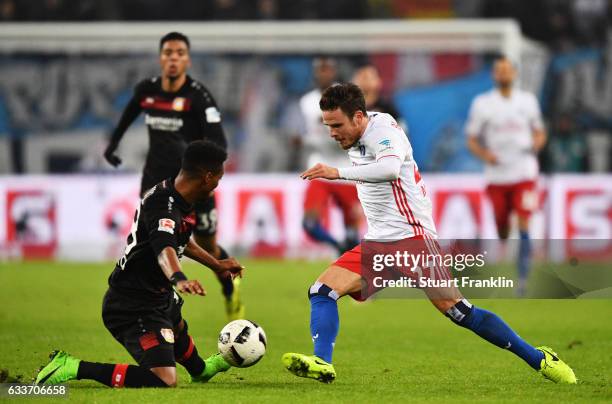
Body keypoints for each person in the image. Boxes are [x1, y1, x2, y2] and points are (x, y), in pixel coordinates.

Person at [281, 83, 575, 385]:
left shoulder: (384, 133)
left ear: (358, 117)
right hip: (379, 243)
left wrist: (337, 172)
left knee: (459, 311)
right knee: (322, 291)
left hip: (413, 240)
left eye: (336, 125)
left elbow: (390, 170)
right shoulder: (360, 132)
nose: (331, 132)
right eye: (327, 126)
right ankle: (322, 363)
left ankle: (539, 358)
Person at [35, 141, 243, 388]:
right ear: (207, 177)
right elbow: (164, 248)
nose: (218, 185)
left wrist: (216, 264)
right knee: (164, 380)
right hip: (132, 305)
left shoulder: (181, 197)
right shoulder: (163, 206)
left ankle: (200, 370)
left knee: (176, 325)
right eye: (218, 178)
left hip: (156, 292)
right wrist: (179, 277)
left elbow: (181, 240)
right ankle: (72, 366)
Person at [103, 32, 244, 320]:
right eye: (168, 52)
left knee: (208, 245)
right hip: (155, 181)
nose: (173, 58)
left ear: (187, 60)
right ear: (161, 57)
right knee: (152, 239)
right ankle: (154, 297)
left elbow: (219, 143)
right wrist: (113, 144)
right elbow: (128, 115)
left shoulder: (199, 97)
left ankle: (230, 290)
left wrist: (205, 169)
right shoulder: (147, 91)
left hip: (193, 185)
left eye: (179, 53)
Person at [465, 57, 547, 296]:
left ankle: (522, 279)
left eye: (507, 71)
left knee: (524, 222)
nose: (503, 74)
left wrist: (537, 144)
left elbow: (540, 132)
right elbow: (471, 138)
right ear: (494, 75)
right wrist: (485, 154)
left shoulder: (528, 101)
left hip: (524, 173)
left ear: (514, 74)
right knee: (501, 226)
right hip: (497, 175)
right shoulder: (482, 104)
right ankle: (504, 234)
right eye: (499, 71)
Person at [298, 57, 361, 254]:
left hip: (346, 171)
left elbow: (351, 132)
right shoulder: (307, 102)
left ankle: (350, 267)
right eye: (320, 69)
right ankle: (337, 247)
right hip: (320, 169)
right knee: (309, 223)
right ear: (316, 72)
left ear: (334, 71)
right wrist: (303, 140)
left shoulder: (346, 98)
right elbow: (309, 134)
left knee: (352, 233)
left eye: (327, 69)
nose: (324, 73)